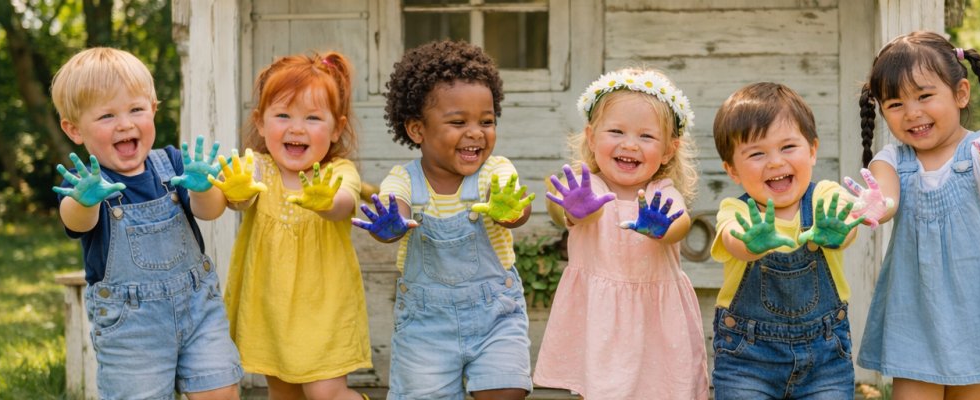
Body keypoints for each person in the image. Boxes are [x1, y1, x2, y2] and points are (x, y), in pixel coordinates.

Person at [852, 31, 980, 399]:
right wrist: (877, 204)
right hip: (914, 317)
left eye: (924, 96)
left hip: (976, 319)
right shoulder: (892, 159)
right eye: (895, 104)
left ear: (961, 93)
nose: (912, 113)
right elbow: (886, 196)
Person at [51, 47, 242, 399]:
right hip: (131, 329)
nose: (125, 123)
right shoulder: (85, 185)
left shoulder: (171, 163)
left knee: (221, 391)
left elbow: (210, 212)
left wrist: (204, 189)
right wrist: (85, 201)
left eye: (136, 110)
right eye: (107, 115)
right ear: (74, 129)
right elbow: (76, 221)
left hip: (199, 310)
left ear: (153, 109)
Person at [351, 40, 534, 400]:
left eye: (486, 121)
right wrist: (392, 223)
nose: (476, 132)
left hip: (495, 314)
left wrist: (510, 208)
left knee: (506, 388)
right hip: (425, 328)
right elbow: (396, 206)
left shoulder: (494, 171)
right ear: (417, 130)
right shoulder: (404, 179)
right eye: (458, 122)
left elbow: (515, 209)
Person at [532, 68, 709, 399]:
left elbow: (681, 223)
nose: (629, 144)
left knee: (663, 389)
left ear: (669, 150)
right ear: (591, 137)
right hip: (599, 317)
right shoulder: (589, 187)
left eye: (646, 136)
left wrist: (663, 227)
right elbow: (563, 211)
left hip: (657, 320)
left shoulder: (661, 192)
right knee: (599, 388)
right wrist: (575, 209)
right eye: (616, 131)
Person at [215, 51, 372, 400]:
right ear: (260, 122)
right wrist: (235, 192)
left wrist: (326, 201)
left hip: (325, 306)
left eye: (313, 118)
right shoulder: (259, 166)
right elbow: (241, 199)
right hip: (270, 307)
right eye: (283, 115)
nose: (296, 128)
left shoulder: (337, 172)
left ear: (337, 129)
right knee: (283, 393)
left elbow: (344, 202)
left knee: (325, 392)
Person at [709, 82, 869, 399]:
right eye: (757, 153)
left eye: (788, 147)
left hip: (825, 357)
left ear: (812, 150)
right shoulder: (736, 211)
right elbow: (732, 239)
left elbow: (846, 224)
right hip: (747, 358)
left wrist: (840, 231)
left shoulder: (825, 196)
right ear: (732, 170)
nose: (775, 162)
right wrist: (750, 243)